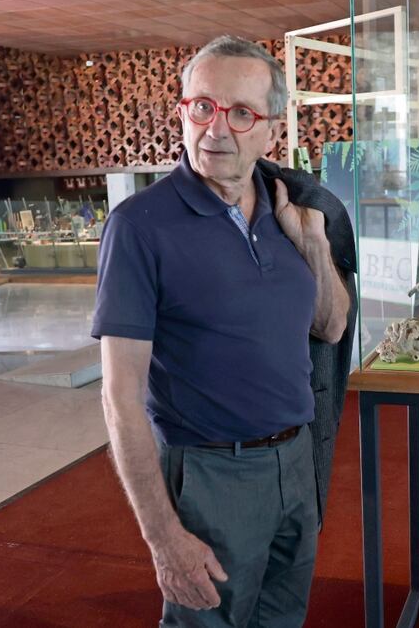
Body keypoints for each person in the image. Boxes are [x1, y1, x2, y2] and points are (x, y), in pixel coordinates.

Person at [92, 35, 355, 627]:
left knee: (281, 620)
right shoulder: (140, 226)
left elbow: (331, 327)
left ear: (272, 130)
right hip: (212, 475)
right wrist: (163, 539)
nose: (217, 129)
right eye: (203, 107)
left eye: (241, 113)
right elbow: (120, 399)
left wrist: (310, 241)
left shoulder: (294, 207)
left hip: (296, 460)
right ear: (183, 110)